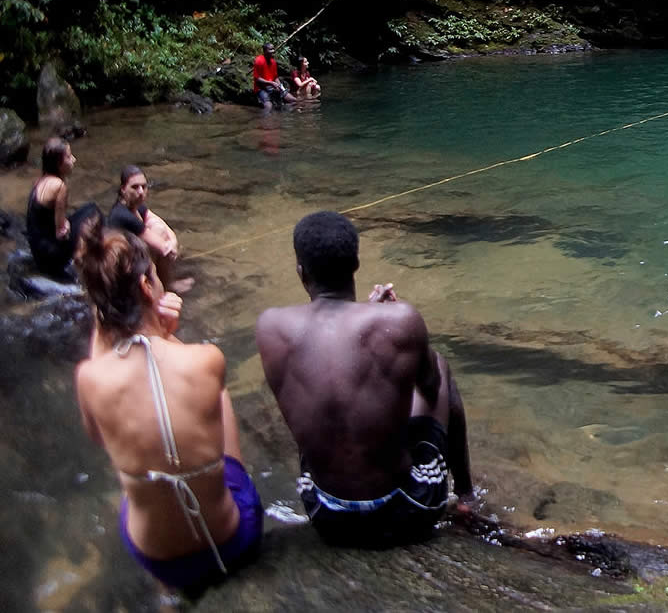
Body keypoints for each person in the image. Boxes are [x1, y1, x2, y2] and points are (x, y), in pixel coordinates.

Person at [256, 212, 474, 548]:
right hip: (407, 508)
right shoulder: (403, 320)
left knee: (319, 396)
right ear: (356, 263)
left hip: (326, 515)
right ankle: (465, 495)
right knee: (440, 367)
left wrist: (372, 315)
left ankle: (459, 495)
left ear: (301, 271)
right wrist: (401, 331)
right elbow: (429, 388)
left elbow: (330, 366)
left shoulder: (270, 327)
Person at [73, 217, 263, 593]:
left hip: (155, 558)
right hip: (232, 541)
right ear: (147, 285)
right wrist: (165, 334)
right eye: (156, 278)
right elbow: (169, 379)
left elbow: (99, 437)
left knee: (130, 453)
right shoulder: (206, 359)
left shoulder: (89, 377)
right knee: (218, 397)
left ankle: (168, 592)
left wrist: (108, 328)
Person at [25, 137, 100, 280]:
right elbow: (61, 233)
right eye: (69, 156)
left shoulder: (40, 181)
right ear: (58, 163)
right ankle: (94, 262)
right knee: (94, 212)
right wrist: (71, 230)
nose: (74, 159)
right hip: (51, 258)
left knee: (89, 208)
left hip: (38, 253)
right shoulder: (59, 186)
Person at [108, 165, 188, 291]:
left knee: (158, 228)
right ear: (123, 189)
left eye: (144, 187)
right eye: (135, 187)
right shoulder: (123, 215)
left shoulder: (135, 205)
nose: (140, 192)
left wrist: (172, 242)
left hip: (131, 258)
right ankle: (163, 289)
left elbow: (166, 228)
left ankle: (164, 284)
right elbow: (163, 248)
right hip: (119, 270)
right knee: (159, 234)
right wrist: (171, 246)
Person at [251, 43, 295, 108]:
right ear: (265, 51)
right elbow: (257, 78)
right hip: (261, 88)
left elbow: (275, 77)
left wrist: (280, 87)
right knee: (269, 107)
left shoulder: (273, 62)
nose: (273, 51)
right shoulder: (259, 60)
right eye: (270, 49)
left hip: (272, 87)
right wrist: (271, 83)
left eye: (273, 49)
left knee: (293, 100)